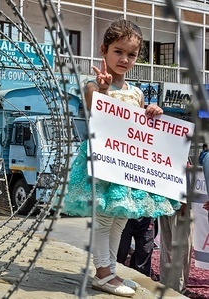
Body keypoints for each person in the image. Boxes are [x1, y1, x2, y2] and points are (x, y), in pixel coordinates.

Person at [62, 19, 181, 297]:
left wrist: (152, 112)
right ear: (104, 50)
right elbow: (96, 112)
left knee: (119, 219)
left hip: (128, 163)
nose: (124, 59)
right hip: (104, 161)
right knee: (104, 219)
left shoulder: (136, 92)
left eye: (131, 54)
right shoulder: (92, 85)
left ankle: (111, 271)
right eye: (118, 51)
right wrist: (104, 90)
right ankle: (102, 273)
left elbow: (140, 128)